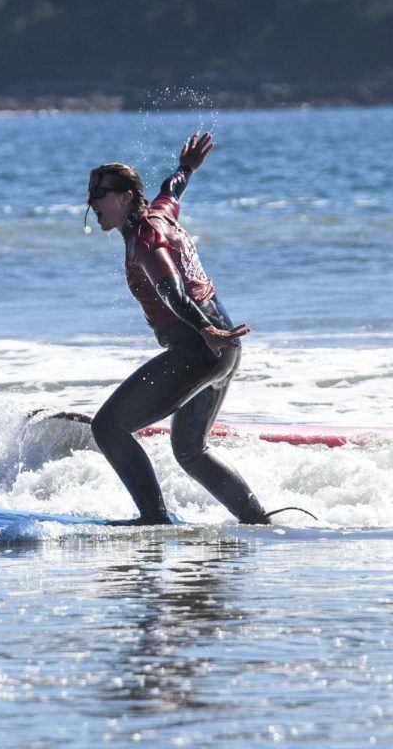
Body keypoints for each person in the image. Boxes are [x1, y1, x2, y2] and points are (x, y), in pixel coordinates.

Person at [85, 131, 271, 525]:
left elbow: (170, 290)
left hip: (200, 347)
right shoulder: (161, 214)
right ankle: (257, 522)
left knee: (107, 427)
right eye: (89, 192)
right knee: (189, 450)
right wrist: (186, 166)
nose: (91, 202)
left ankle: (153, 516)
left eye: (99, 193)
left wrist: (204, 330)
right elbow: (173, 188)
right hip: (225, 348)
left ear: (126, 196)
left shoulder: (145, 238)